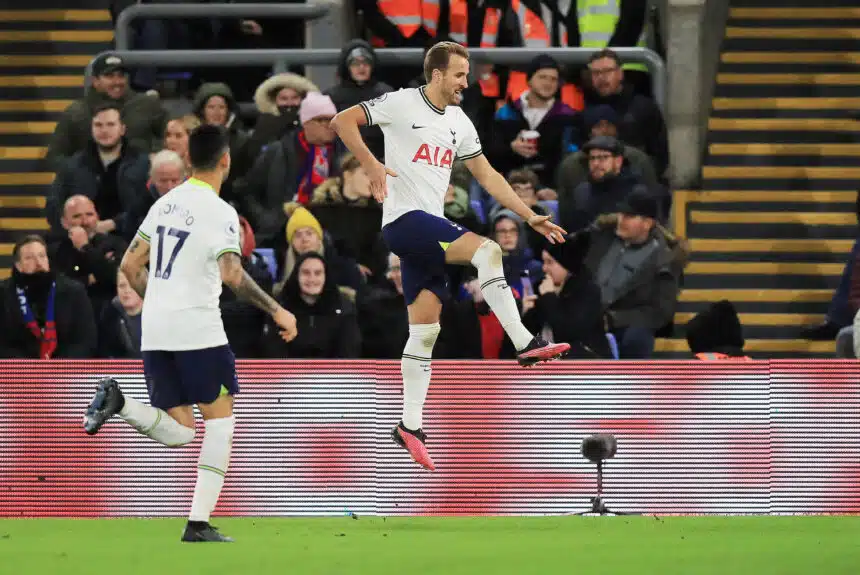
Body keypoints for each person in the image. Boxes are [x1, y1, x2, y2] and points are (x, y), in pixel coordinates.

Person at [331, 41, 571, 472]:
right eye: (460, 74)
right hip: (405, 221)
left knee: (425, 332)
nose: (466, 82)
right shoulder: (402, 103)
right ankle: (524, 342)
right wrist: (369, 164)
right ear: (437, 74)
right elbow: (342, 120)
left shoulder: (459, 121)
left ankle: (409, 424)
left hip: (428, 232)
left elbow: (488, 175)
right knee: (489, 250)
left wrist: (529, 215)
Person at [82, 125, 298, 543]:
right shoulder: (219, 211)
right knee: (220, 425)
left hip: (157, 329)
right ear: (226, 160)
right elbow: (233, 274)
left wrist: (160, 299)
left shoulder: (166, 204)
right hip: (197, 329)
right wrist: (278, 310)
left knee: (181, 430)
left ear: (187, 162)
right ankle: (198, 524)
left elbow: (128, 266)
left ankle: (120, 401)